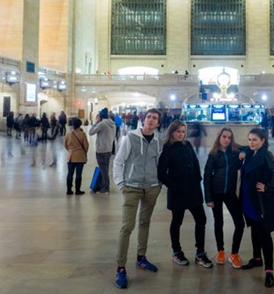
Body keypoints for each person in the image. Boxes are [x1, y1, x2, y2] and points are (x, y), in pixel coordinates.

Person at [113, 108, 164, 289]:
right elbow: (119, 161)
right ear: (144, 119)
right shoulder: (131, 138)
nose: (151, 120)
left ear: (158, 123)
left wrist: (159, 184)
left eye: (154, 118)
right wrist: (121, 183)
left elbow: (160, 163)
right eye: (149, 117)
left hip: (151, 187)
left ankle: (141, 258)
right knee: (127, 227)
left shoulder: (159, 141)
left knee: (145, 222)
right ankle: (120, 267)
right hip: (132, 187)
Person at [157, 120, 213, 269]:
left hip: (193, 190)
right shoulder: (167, 149)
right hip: (178, 192)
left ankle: (200, 252)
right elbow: (161, 174)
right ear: (172, 132)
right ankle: (176, 251)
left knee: (201, 219)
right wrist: (175, 186)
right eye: (178, 131)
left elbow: (195, 163)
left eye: (183, 132)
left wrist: (197, 179)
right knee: (177, 221)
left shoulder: (187, 145)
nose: (181, 134)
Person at [239, 127, 274, 288]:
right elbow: (243, 148)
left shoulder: (265, 155)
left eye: (255, 140)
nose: (251, 143)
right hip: (248, 200)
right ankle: (257, 258)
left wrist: (268, 187)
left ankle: (269, 270)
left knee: (264, 234)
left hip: (259, 202)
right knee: (254, 230)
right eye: (249, 139)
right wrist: (243, 151)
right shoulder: (251, 153)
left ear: (263, 141)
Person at [203, 127, 245, 268]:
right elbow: (207, 176)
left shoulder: (235, 151)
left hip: (230, 193)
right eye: (224, 137)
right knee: (218, 222)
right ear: (219, 137)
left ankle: (234, 253)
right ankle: (220, 251)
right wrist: (208, 198)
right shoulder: (213, 154)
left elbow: (248, 148)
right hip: (216, 193)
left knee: (240, 223)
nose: (226, 140)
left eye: (229, 137)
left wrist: (244, 153)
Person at [88, 107, 115, 194]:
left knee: (103, 170)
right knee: (105, 169)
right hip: (109, 149)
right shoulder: (112, 123)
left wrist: (96, 122)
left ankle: (106, 188)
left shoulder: (102, 124)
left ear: (100, 116)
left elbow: (91, 132)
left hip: (101, 150)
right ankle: (104, 185)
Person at [63, 118, 89, 195]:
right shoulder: (82, 134)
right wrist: (84, 152)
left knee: (70, 173)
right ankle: (77, 190)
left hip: (71, 156)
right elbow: (86, 146)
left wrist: (70, 150)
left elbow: (65, 145)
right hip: (80, 156)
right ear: (80, 125)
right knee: (78, 174)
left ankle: (69, 190)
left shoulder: (68, 134)